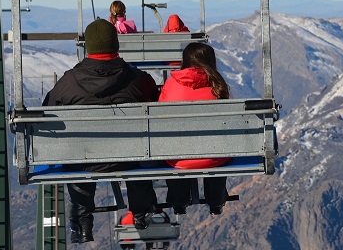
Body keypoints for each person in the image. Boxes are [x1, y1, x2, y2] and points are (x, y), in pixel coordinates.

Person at [42, 18, 159, 243]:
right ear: (116, 44)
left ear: (89, 47)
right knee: (140, 151)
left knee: (78, 153)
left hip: (86, 158)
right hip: (131, 156)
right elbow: (156, 105)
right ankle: (142, 213)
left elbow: (49, 109)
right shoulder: (138, 79)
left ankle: (81, 225)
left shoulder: (69, 82)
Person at [159, 42, 232, 216]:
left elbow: (160, 119)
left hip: (178, 158)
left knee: (177, 149)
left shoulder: (171, 84)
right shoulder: (218, 86)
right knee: (215, 151)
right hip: (213, 157)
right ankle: (216, 200)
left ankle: (178, 201)